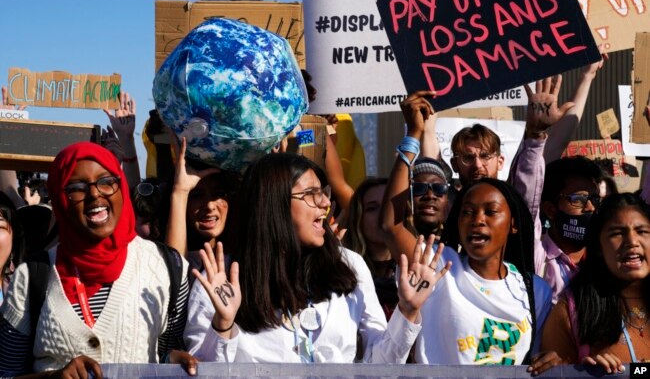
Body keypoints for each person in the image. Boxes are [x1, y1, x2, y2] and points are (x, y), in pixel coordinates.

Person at [184, 152, 447, 363]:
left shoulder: (349, 265)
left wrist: (407, 311)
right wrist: (223, 325)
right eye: (311, 194)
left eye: (324, 192)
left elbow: (378, 366)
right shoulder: (221, 279)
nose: (324, 203)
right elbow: (201, 369)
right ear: (273, 204)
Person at [382, 92, 552, 365]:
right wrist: (413, 134)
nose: (478, 220)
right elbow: (391, 226)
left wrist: (556, 359)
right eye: (467, 213)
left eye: (491, 212)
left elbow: (542, 358)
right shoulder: (439, 268)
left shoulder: (537, 292)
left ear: (514, 225)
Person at [0, 142, 196, 377]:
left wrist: (175, 360)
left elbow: (165, 353)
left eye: (106, 182)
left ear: (121, 187)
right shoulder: (32, 275)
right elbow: (5, 373)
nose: (94, 194)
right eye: (77, 188)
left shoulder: (166, 266)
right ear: (60, 200)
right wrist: (54, 376)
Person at [537, 193, 650, 374]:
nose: (632, 242)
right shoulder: (571, 311)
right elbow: (553, 373)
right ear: (599, 248)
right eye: (617, 233)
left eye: (642, 231)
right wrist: (583, 374)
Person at [537, 156, 603, 303]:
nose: (591, 207)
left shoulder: (606, 257)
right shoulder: (537, 259)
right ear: (550, 209)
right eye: (579, 199)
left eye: (595, 199)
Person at [166, 138, 239, 269]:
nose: (210, 206)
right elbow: (174, 277)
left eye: (219, 194)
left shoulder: (242, 258)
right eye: (197, 196)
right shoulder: (164, 259)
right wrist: (180, 191)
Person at [342, 177, 397, 319]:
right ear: (358, 218)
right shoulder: (344, 270)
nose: (382, 215)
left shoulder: (417, 265)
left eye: (388, 206)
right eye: (372, 208)